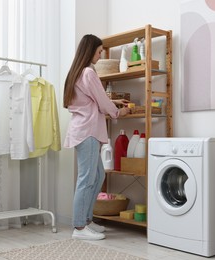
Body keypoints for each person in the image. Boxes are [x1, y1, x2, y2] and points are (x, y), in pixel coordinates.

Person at [63, 34, 130, 240]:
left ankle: (87, 220)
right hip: (88, 132)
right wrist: (119, 112)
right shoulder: (88, 73)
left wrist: (114, 101)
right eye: (99, 51)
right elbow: (101, 102)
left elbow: (93, 100)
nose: (100, 56)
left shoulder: (77, 73)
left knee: (98, 176)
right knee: (87, 179)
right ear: (90, 50)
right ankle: (79, 228)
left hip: (84, 130)